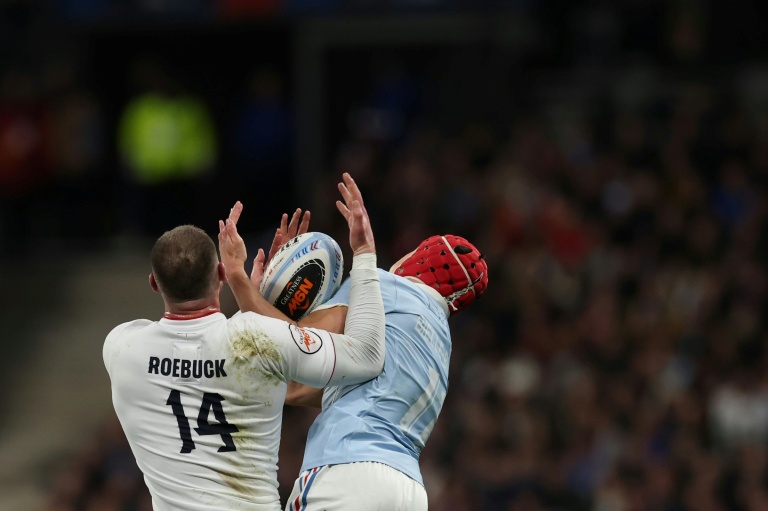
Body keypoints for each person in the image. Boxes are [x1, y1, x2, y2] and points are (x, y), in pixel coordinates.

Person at [102, 173, 386, 511]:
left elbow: (203, 350)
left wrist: (255, 296)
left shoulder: (121, 347)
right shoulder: (258, 340)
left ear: (153, 283)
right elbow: (368, 355)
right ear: (220, 274)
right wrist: (365, 253)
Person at [231, 206, 488, 511]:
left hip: (348, 469)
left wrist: (246, 284)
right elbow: (300, 386)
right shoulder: (441, 343)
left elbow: (293, 343)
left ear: (422, 257)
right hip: (409, 490)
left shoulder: (385, 287)